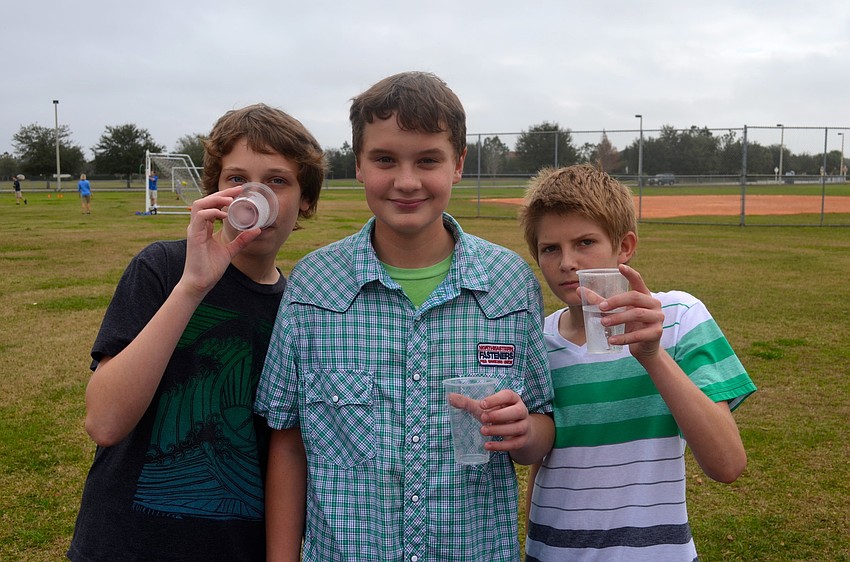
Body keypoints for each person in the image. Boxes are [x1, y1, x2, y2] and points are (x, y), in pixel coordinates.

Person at [254, 71, 554, 562]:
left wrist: (524, 431)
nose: (407, 181)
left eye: (428, 160)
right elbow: (289, 443)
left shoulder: (510, 284)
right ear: (358, 165)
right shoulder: (314, 286)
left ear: (457, 164)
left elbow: (541, 425)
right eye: (385, 159)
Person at [67, 103, 326, 562]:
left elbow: (291, 449)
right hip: (122, 546)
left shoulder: (303, 309)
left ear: (305, 199)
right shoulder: (163, 269)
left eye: (278, 181)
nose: (255, 194)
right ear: (215, 192)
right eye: (236, 179)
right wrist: (192, 287)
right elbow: (103, 422)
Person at [519, 165, 757, 561]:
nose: (567, 262)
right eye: (550, 248)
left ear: (625, 246)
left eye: (585, 242)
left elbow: (727, 464)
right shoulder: (537, 341)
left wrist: (653, 356)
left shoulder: (680, 317)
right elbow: (544, 464)